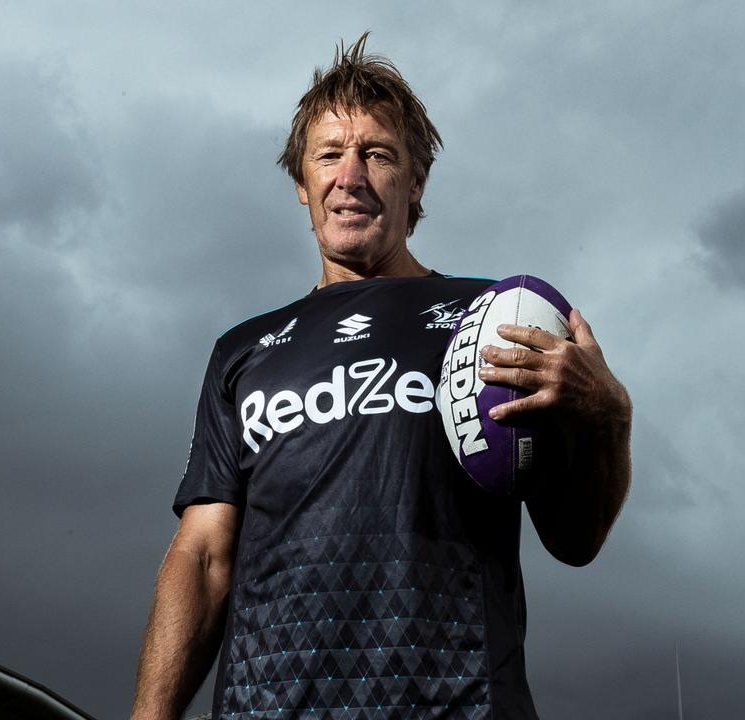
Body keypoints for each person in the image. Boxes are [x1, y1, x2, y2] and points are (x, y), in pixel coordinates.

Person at [130, 34, 631, 720]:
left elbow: (575, 540)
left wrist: (606, 416)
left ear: (415, 180)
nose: (351, 175)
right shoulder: (242, 352)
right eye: (329, 155)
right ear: (302, 184)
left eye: (378, 154)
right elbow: (203, 557)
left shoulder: (490, 319)